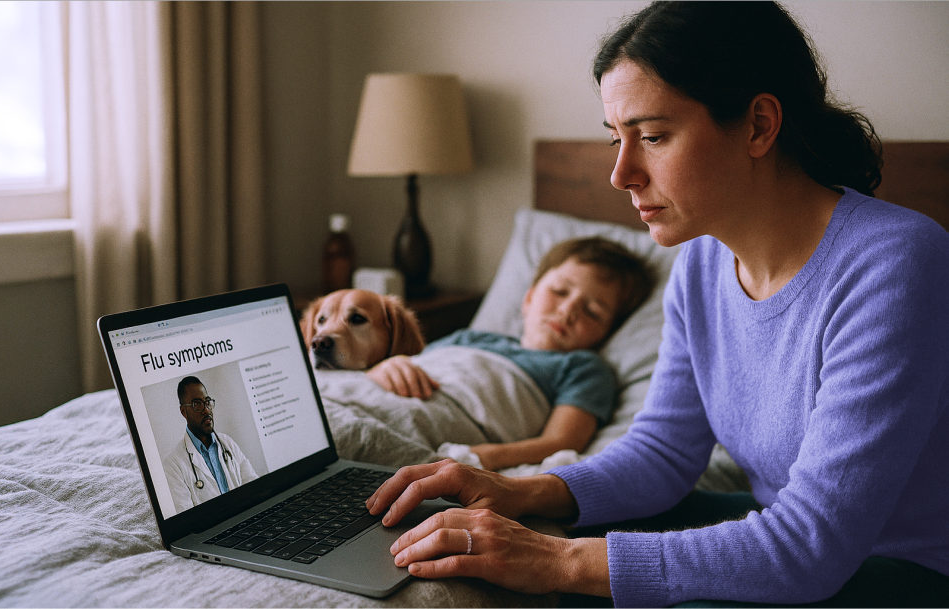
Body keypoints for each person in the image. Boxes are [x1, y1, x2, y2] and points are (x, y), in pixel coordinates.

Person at [365, 2, 949, 607]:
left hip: (902, 567)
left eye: (651, 137)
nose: (621, 174)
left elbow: (808, 547)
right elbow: (665, 453)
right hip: (793, 537)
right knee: (529, 532)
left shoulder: (895, 263)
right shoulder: (701, 262)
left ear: (758, 125)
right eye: (615, 138)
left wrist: (558, 562)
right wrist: (521, 491)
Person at [366, 237, 655, 471]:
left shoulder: (583, 368)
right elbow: (413, 365)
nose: (568, 310)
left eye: (592, 311)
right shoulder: (471, 338)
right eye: (559, 291)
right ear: (528, 298)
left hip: (426, 426)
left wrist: (478, 457)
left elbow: (560, 442)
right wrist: (384, 368)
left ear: (608, 333)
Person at [164, 375, 258, 512]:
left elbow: (254, 487)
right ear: (184, 411)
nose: (206, 410)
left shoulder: (227, 443)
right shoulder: (173, 465)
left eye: (207, 402)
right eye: (197, 404)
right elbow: (186, 516)